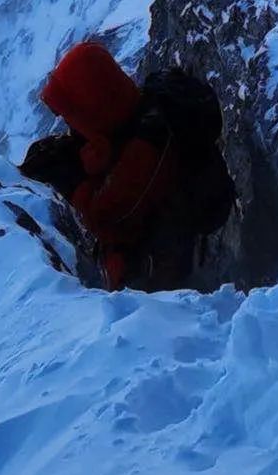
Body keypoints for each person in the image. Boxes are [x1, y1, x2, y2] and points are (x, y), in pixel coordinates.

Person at [21, 40, 235, 291]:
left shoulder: (146, 145)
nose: (68, 122)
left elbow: (105, 216)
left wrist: (71, 181)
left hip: (165, 280)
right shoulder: (124, 118)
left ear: (92, 104)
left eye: (72, 113)